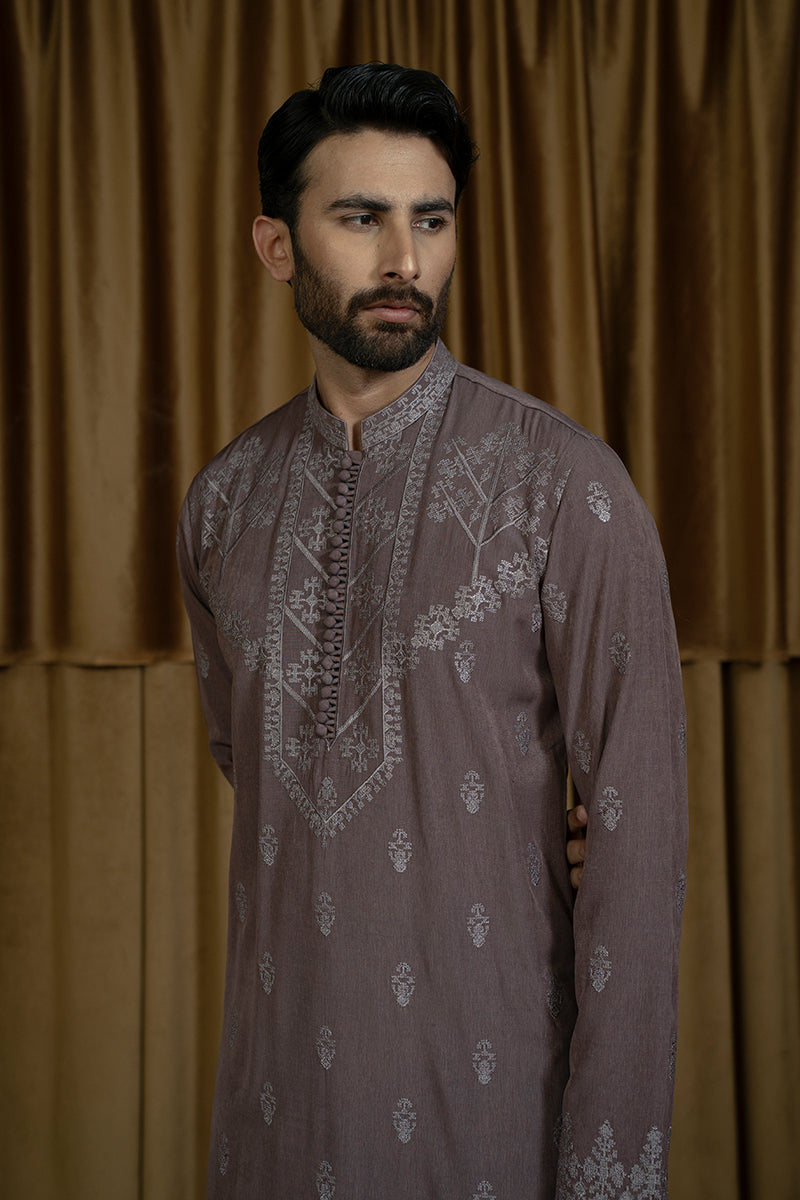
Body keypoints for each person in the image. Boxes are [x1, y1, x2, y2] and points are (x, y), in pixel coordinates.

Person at [177, 63, 688, 1199]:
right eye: (361, 219)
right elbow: (247, 753)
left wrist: (608, 1176)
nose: (404, 259)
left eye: (433, 220)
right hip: (272, 1118)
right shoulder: (223, 504)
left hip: (495, 1115)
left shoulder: (564, 486)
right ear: (276, 245)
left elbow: (639, 842)